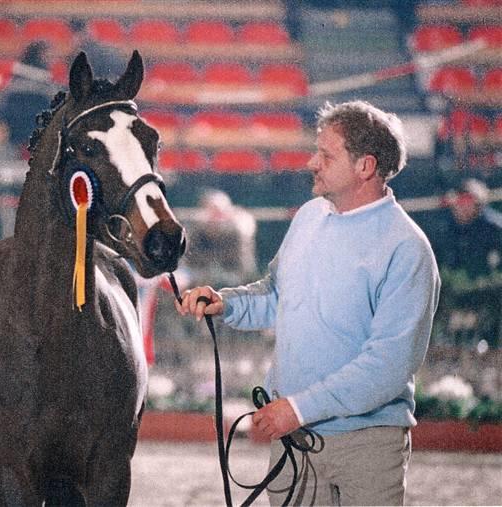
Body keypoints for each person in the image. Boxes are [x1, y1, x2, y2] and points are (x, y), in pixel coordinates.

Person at [176, 100, 441, 506]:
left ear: (365, 167)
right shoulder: (309, 216)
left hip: (366, 447)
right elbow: (278, 294)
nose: (311, 162)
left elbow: (389, 364)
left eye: (326, 155)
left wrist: (297, 409)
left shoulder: (407, 249)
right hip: (294, 438)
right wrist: (225, 304)